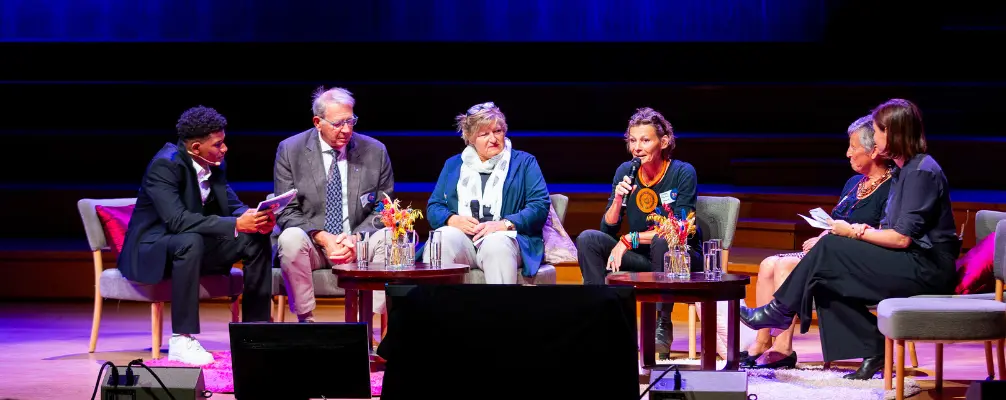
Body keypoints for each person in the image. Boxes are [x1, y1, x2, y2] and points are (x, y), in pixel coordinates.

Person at [740, 98, 960, 380]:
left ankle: (779, 310)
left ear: (893, 133)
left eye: (878, 131)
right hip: (908, 261)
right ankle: (875, 347)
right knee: (825, 276)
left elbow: (902, 238)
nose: (876, 137)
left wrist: (854, 231)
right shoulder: (905, 170)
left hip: (927, 268)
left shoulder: (921, 172)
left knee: (831, 245)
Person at [119, 106, 275, 365]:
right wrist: (236, 222)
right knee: (189, 240)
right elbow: (178, 220)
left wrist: (255, 217)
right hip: (152, 249)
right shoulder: (164, 166)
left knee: (255, 238)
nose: (225, 149)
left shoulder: (213, 163)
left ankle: (254, 331)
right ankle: (182, 338)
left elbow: (231, 204)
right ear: (195, 148)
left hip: (192, 247)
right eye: (218, 144)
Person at [742, 115, 893, 369]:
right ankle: (762, 342)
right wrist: (823, 235)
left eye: (853, 147)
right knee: (768, 263)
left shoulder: (891, 187)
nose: (848, 153)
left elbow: (876, 232)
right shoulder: (853, 183)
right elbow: (837, 222)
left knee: (784, 267)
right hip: (832, 250)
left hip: (857, 259)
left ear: (873, 150)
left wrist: (830, 239)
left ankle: (783, 349)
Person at [577, 107, 702, 359]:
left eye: (645, 140)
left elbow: (677, 230)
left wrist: (629, 238)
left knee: (661, 240)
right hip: (642, 258)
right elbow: (607, 228)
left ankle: (662, 325)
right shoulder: (625, 170)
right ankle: (600, 318)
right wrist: (618, 199)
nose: (637, 147)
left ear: (663, 142)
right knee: (588, 238)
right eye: (633, 140)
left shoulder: (682, 172)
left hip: (680, 258)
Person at [274, 87, 394, 322]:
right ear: (318, 122)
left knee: (389, 236)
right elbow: (286, 210)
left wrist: (355, 238)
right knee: (289, 239)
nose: (347, 130)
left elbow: (384, 207)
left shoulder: (375, 151)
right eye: (339, 124)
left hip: (357, 244)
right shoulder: (290, 150)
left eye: (351, 121)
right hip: (315, 244)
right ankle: (306, 321)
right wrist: (323, 238)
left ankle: (364, 324)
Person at [424, 101, 550, 284]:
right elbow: (434, 206)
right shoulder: (453, 165)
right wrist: (452, 220)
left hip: (508, 239)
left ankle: (498, 312)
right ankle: (439, 310)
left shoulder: (524, 162)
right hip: (466, 240)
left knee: (496, 244)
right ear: (470, 138)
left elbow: (539, 206)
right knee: (442, 239)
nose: (493, 139)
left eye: (497, 131)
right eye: (484, 134)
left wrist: (504, 224)